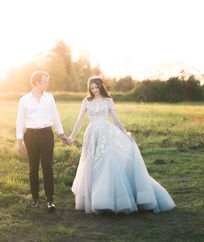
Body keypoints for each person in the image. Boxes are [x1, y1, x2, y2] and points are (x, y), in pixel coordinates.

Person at [64, 76, 175, 214]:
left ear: (101, 86)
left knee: (106, 163)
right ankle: (92, 199)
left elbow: (116, 119)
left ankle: (107, 199)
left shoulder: (108, 100)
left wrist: (125, 134)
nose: (94, 90)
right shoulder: (86, 101)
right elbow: (79, 120)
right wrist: (71, 137)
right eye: (91, 88)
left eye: (96, 87)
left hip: (106, 134)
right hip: (91, 135)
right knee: (90, 165)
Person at [16, 71, 66, 210]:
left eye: (47, 81)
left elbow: (55, 116)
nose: (47, 84)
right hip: (30, 136)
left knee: (48, 168)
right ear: (36, 82)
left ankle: (50, 201)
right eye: (45, 81)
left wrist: (61, 134)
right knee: (33, 168)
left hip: (46, 134)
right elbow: (20, 121)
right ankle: (35, 198)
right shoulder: (24, 100)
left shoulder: (49, 98)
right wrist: (19, 141)